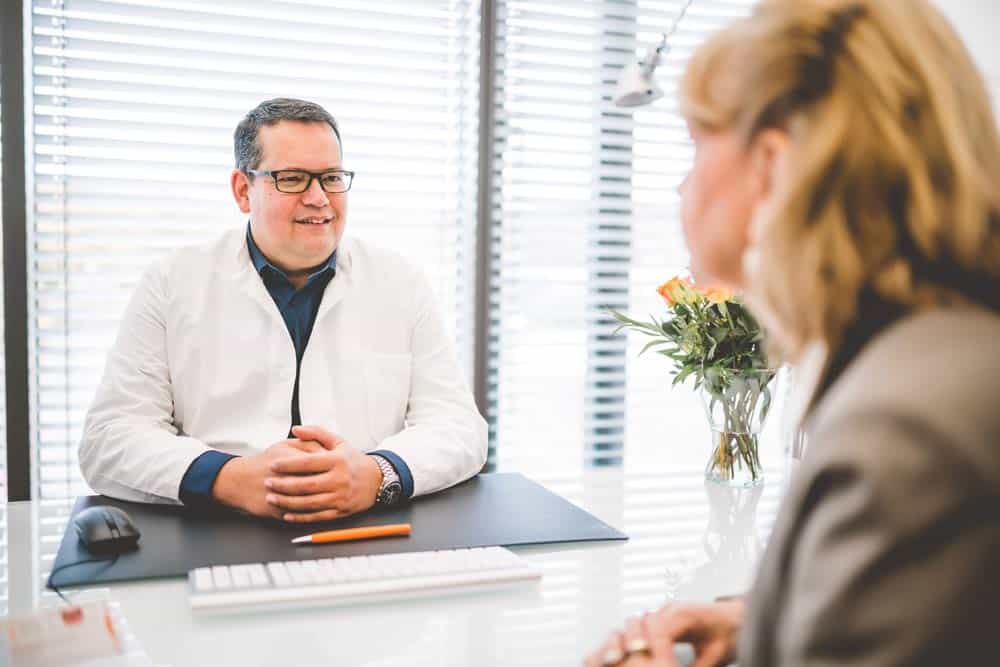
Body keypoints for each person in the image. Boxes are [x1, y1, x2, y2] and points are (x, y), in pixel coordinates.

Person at [587, 0, 1000, 665]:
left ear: (774, 168)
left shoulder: (903, 431)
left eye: (696, 144)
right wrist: (754, 624)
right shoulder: (942, 356)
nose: (682, 185)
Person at [79, 98, 487, 523]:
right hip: (217, 532)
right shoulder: (173, 282)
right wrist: (227, 478)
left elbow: (459, 427)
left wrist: (377, 473)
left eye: (331, 178)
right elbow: (108, 439)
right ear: (242, 190)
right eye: (292, 179)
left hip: (368, 532)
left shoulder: (399, 281)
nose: (318, 198)